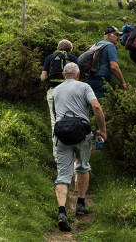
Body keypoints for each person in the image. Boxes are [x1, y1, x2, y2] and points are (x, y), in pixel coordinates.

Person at [51, 62, 106, 232]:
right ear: (78, 74)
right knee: (82, 166)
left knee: (63, 173)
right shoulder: (85, 87)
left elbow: (55, 113)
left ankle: (61, 212)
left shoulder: (56, 90)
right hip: (82, 133)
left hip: (61, 134)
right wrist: (102, 130)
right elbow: (96, 106)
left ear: (63, 74)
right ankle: (80, 204)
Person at [41, 40, 78, 142]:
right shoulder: (73, 58)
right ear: (70, 50)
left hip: (52, 92)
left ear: (58, 48)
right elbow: (76, 77)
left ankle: (57, 156)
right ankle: (70, 151)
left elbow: (43, 78)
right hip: (69, 93)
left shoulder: (49, 58)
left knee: (55, 123)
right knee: (70, 120)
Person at [84, 26, 127, 99]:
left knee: (91, 102)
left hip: (89, 77)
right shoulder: (110, 46)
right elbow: (114, 67)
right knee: (102, 104)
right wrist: (122, 82)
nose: (119, 38)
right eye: (117, 35)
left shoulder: (96, 44)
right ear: (109, 35)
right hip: (102, 80)